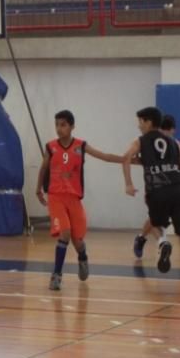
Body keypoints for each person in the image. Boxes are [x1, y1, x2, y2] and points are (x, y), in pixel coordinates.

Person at [122, 107, 180, 294]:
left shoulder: (140, 141)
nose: (138, 125)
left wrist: (128, 184)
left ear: (148, 123)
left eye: (140, 121)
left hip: (157, 190)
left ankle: (163, 242)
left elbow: (126, 158)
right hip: (179, 190)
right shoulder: (174, 142)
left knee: (155, 223)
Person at [35, 110, 124, 291]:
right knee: (65, 233)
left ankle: (82, 257)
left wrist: (127, 159)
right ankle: (56, 275)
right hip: (55, 196)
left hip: (73, 198)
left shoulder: (80, 146)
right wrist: (38, 189)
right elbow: (43, 169)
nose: (59, 129)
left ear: (72, 126)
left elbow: (105, 156)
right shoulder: (51, 147)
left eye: (63, 125)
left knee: (78, 241)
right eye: (57, 125)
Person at [132, 114, 180, 264]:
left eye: (167, 131)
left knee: (179, 220)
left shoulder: (177, 145)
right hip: (158, 188)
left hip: (175, 187)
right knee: (155, 219)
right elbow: (137, 159)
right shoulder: (151, 144)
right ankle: (143, 239)